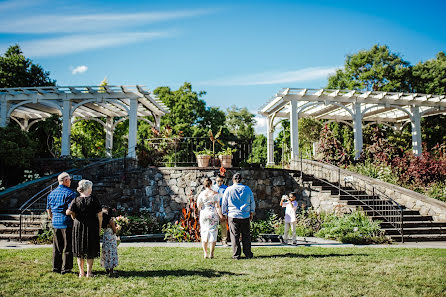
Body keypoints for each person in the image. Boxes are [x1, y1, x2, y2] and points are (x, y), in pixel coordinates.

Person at [66, 180, 102, 278]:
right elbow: (99, 215)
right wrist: (99, 227)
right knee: (90, 249)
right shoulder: (94, 199)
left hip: (79, 225)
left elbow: (68, 212)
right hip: (92, 226)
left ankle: (81, 272)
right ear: (88, 188)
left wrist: (74, 216)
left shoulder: (76, 200)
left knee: (79, 249)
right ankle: (89, 272)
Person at [46, 172, 77, 274]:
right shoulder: (70, 193)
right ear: (66, 181)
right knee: (68, 247)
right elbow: (71, 209)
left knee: (57, 247)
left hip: (55, 222)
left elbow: (48, 209)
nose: (70, 181)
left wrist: (52, 218)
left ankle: (56, 268)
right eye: (69, 180)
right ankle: (66, 268)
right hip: (67, 222)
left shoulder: (51, 193)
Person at [222, 173, 255, 260]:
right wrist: (251, 212)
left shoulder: (229, 189)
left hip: (233, 215)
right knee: (246, 235)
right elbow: (252, 201)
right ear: (241, 180)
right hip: (245, 214)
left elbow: (224, 202)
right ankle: (248, 253)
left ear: (233, 180)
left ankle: (236, 254)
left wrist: (224, 213)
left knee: (234, 236)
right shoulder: (247, 189)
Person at [197, 178, 222, 259]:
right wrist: (221, 215)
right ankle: (211, 253)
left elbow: (199, 206)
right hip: (213, 214)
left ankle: (205, 253)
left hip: (204, 214)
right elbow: (217, 206)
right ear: (211, 184)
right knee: (213, 233)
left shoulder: (201, 194)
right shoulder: (215, 193)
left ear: (204, 185)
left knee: (204, 232)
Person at [100, 207, 119, 277]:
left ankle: (106, 268)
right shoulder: (111, 221)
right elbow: (114, 230)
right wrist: (117, 228)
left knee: (106, 253)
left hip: (105, 238)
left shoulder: (103, 221)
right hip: (111, 239)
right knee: (111, 253)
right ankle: (111, 270)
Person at [212, 174, 228, 246]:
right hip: (214, 207)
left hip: (223, 207)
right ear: (215, 180)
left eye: (221, 181)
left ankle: (224, 240)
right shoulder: (213, 188)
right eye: (218, 181)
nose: (220, 182)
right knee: (214, 224)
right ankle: (213, 240)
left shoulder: (225, 188)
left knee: (223, 224)